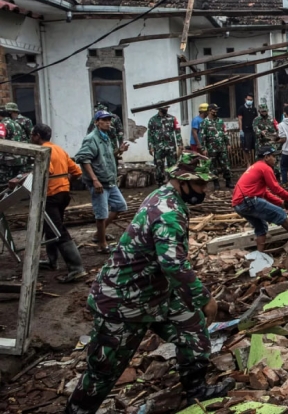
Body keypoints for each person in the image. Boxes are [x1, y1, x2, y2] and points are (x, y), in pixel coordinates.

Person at [64, 152, 233, 414]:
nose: (205, 190)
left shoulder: (168, 198)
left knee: (193, 329)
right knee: (104, 372)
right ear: (182, 181)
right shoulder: (167, 211)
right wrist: (205, 299)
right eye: (200, 184)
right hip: (121, 302)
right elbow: (173, 264)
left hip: (155, 293)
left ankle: (195, 391)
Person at [31, 123, 87, 283]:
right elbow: (76, 171)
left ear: (37, 136)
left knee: (57, 230)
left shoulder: (43, 151)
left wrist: (23, 179)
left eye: (32, 135)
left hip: (51, 195)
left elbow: (46, 170)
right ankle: (51, 261)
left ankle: (76, 268)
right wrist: (65, 181)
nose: (30, 138)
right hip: (63, 194)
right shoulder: (59, 149)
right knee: (51, 227)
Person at [232, 147, 288, 252]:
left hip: (239, 205)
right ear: (266, 157)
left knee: (261, 228)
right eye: (273, 156)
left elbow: (265, 193)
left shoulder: (255, 167)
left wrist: (281, 202)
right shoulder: (265, 168)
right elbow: (276, 188)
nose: (275, 159)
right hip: (249, 201)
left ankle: (260, 255)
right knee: (280, 214)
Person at [75, 110, 129, 254]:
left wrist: (119, 151)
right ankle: (102, 245)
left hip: (109, 181)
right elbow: (83, 158)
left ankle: (98, 234)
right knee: (101, 214)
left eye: (109, 120)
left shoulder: (106, 137)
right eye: (104, 120)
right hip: (99, 183)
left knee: (120, 206)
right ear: (97, 122)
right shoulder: (91, 138)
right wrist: (94, 180)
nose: (107, 122)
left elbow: (107, 155)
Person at [147, 105, 184, 184]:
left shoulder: (172, 118)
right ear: (160, 108)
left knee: (172, 165)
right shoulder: (152, 120)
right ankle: (160, 183)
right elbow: (150, 134)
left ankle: (172, 183)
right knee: (159, 166)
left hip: (171, 147)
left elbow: (177, 131)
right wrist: (150, 146)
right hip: (158, 147)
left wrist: (180, 143)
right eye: (165, 107)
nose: (166, 109)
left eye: (167, 107)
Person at [199, 103, 232, 189]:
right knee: (213, 166)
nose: (216, 111)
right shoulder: (204, 122)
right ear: (210, 111)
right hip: (211, 148)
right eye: (215, 110)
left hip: (222, 147)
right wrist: (204, 148)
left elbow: (224, 132)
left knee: (226, 164)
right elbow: (202, 137)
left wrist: (228, 143)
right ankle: (216, 183)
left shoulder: (220, 121)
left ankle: (228, 181)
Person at [0, 106, 26, 184]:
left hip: (7, 163)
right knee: (17, 184)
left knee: (5, 185)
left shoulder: (2, 125)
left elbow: (1, 142)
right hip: (20, 160)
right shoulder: (17, 124)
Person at [237, 93, 258, 160]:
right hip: (245, 131)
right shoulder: (241, 108)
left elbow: (256, 119)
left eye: (251, 100)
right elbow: (240, 119)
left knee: (255, 147)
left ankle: (255, 161)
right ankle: (248, 163)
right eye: (248, 99)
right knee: (246, 148)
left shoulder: (254, 109)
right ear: (245, 99)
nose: (249, 101)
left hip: (254, 130)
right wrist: (240, 130)